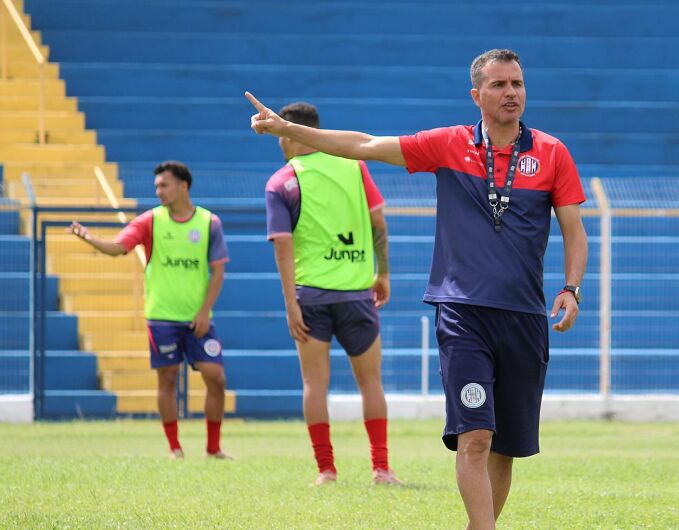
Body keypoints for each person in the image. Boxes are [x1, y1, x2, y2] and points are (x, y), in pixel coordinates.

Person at [246, 48, 587, 528]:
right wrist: (289, 129)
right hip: (463, 312)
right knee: (475, 437)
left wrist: (571, 288)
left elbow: (575, 230)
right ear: (477, 95)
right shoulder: (448, 144)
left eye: (517, 84)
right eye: (499, 85)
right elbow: (364, 144)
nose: (511, 93)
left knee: (505, 450)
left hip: (525, 317)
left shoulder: (552, 152)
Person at [264, 102, 401, 486]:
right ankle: (381, 468)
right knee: (371, 382)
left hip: (310, 296)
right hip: (357, 293)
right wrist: (383, 273)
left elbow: (283, 246)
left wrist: (290, 302)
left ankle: (326, 470)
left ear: (289, 134)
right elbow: (378, 221)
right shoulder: (354, 165)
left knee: (313, 384)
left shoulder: (281, 182)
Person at [69, 161, 232, 460]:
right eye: (156, 186)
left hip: (198, 317)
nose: (158, 191)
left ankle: (213, 448)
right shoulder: (150, 221)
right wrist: (90, 238)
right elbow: (118, 247)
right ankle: (174, 448)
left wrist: (204, 311)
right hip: (161, 316)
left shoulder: (209, 223)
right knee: (167, 378)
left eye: (164, 185)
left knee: (216, 378)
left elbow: (218, 272)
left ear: (183, 186)